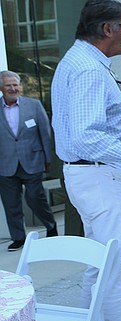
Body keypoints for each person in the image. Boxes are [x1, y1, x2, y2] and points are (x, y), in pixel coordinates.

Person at [51, 0, 121, 321]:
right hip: (102, 178)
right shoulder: (88, 68)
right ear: (107, 28)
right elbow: (88, 137)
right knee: (119, 276)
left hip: (88, 175)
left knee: (99, 265)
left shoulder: (77, 61)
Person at [0, 70, 58, 250]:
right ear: (1, 88)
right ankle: (18, 238)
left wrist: (48, 158)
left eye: (15, 84)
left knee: (35, 198)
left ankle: (51, 226)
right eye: (8, 85)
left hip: (32, 161)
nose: (13, 88)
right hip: (5, 164)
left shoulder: (34, 105)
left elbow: (45, 133)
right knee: (11, 204)